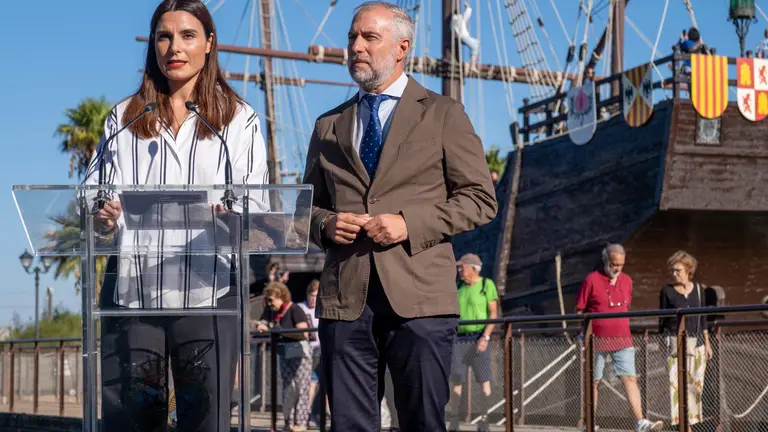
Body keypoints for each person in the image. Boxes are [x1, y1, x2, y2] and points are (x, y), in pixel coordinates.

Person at [301, 2, 498, 431]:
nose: (356, 46)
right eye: (353, 37)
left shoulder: (444, 114)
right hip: (344, 301)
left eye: (369, 37)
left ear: (402, 46)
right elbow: (303, 210)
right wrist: (325, 224)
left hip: (421, 300)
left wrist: (409, 223)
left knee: (423, 422)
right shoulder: (327, 125)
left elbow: (481, 198)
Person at [87, 1, 269, 431]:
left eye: (188, 36)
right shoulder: (123, 118)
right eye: (164, 36)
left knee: (204, 421)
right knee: (133, 422)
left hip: (210, 292)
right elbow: (92, 199)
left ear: (209, 43)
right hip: (133, 293)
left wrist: (233, 215)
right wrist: (102, 217)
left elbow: (258, 207)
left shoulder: (239, 120)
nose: (175, 47)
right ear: (153, 45)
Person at [575, 244, 662, 432]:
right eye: (614, 264)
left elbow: (626, 306)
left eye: (621, 265)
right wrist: (582, 334)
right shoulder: (591, 280)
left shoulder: (627, 281)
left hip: (622, 339)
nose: (617, 268)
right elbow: (580, 309)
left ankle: (641, 422)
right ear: (606, 261)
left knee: (630, 379)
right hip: (595, 339)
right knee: (594, 381)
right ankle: (588, 423)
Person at [659, 250, 712, 429]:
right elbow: (662, 320)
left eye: (678, 270)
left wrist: (707, 342)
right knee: (676, 386)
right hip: (676, 344)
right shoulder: (667, 291)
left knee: (695, 385)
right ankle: (683, 425)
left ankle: (691, 422)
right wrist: (662, 342)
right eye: (672, 270)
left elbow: (703, 316)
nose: (674, 274)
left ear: (688, 270)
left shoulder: (698, 289)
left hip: (696, 344)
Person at [448, 253, 498, 432]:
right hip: (459, 338)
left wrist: (485, 337)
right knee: (457, 380)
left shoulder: (486, 285)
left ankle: (484, 419)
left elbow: (493, 313)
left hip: (479, 338)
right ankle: (454, 420)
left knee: (484, 380)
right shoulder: (459, 286)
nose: (459, 270)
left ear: (473, 268)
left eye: (462, 267)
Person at [255, 282, 313, 431]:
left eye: (271, 299)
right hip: (285, 352)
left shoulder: (295, 309)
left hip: (300, 353)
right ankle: (289, 422)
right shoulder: (275, 312)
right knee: (288, 389)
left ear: (280, 296)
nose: (269, 303)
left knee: (301, 388)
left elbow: (304, 333)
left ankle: (301, 423)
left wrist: (277, 330)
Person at [298, 280, 326, 426]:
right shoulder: (301, 308)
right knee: (311, 383)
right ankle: (306, 413)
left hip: (323, 352)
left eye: (316, 295)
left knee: (323, 384)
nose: (313, 298)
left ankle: (320, 414)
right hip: (306, 353)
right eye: (312, 295)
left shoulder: (324, 309)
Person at [451, 1, 480, 73]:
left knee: (476, 43)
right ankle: (472, 65)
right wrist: (467, 6)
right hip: (463, 36)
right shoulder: (460, 18)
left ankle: (475, 56)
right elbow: (467, 13)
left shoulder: (452, 20)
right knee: (475, 46)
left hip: (459, 37)